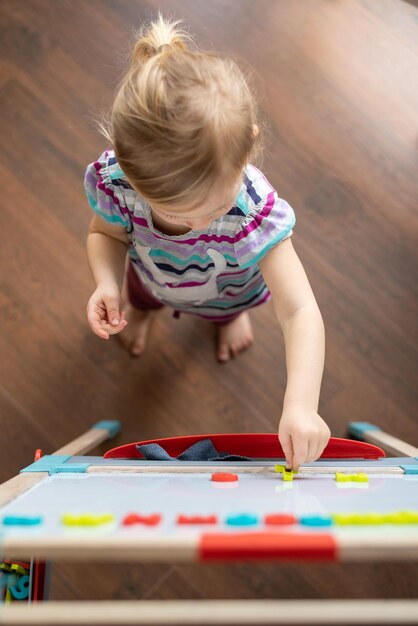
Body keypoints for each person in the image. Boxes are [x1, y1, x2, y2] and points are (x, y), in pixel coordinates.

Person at [84, 14, 331, 470]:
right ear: (126, 169)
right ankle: (142, 310)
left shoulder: (255, 215)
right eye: (174, 213)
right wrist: (106, 283)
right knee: (140, 296)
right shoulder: (116, 181)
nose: (195, 225)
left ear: (247, 150)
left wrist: (301, 403)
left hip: (227, 290)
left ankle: (226, 323)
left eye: (214, 210)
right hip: (148, 275)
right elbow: (105, 234)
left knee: (230, 309)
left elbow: (300, 310)